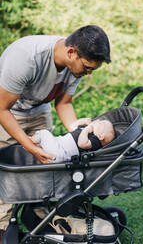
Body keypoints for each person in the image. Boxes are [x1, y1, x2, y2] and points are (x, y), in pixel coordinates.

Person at [0, 25, 111, 240]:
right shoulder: (26, 57)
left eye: (92, 70)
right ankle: (3, 227)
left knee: (45, 169)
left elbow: (64, 103)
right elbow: (2, 108)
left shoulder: (75, 65)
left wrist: (75, 130)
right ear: (71, 52)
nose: (88, 74)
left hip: (40, 109)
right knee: (6, 171)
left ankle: (37, 217)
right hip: (9, 110)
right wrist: (29, 145)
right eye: (87, 68)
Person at [31, 119, 115, 162]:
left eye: (100, 123)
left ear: (101, 136)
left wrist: (86, 129)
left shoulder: (95, 140)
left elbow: (82, 144)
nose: (98, 121)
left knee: (44, 133)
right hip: (58, 146)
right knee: (44, 140)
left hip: (60, 153)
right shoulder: (86, 131)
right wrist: (83, 121)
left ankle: (29, 141)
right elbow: (72, 127)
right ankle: (31, 144)